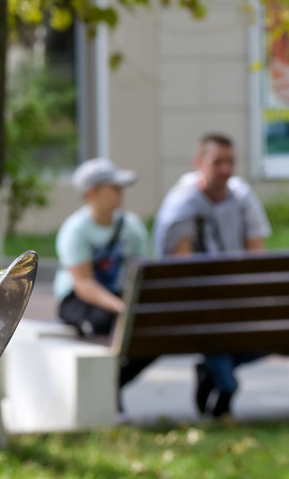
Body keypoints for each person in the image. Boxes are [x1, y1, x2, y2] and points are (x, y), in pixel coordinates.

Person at [153, 134, 272, 417]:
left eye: (230, 162)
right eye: (218, 162)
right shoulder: (181, 207)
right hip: (197, 304)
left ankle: (217, 374)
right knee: (213, 321)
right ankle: (226, 386)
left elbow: (257, 261)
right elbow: (187, 275)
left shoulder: (243, 200)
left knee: (274, 325)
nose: (225, 169)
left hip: (233, 297)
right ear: (198, 163)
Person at [53, 158, 155, 390]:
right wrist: (121, 307)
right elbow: (83, 283)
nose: (122, 193)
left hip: (118, 296)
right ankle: (102, 391)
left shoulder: (132, 227)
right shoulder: (76, 230)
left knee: (152, 331)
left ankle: (111, 389)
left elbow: (140, 272)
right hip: (80, 301)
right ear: (92, 193)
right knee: (100, 326)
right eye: (115, 188)